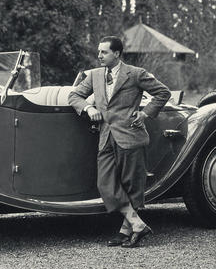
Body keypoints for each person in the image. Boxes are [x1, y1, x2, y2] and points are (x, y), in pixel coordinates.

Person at [68, 36, 171, 247]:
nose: (99, 56)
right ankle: (138, 224)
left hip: (131, 135)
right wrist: (89, 108)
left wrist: (145, 114)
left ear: (116, 53)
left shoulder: (135, 74)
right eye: (99, 52)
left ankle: (126, 231)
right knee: (105, 184)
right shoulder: (94, 75)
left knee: (131, 186)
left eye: (104, 52)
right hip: (106, 136)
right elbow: (74, 96)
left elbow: (163, 92)